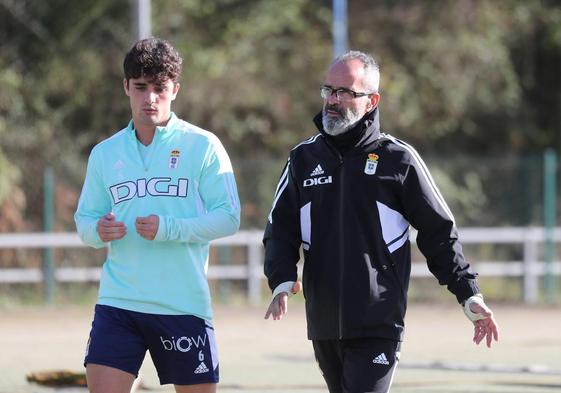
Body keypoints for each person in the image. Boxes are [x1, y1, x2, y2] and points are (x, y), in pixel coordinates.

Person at [263, 50, 499, 393]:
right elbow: (280, 228)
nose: (333, 100)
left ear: (371, 101)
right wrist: (282, 279)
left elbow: (438, 232)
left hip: (379, 322)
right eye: (329, 90)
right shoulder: (302, 158)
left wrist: (468, 293)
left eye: (346, 92)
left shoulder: (398, 159)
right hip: (324, 323)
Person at [74, 37, 240, 393]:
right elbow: (84, 223)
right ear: (126, 88)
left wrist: (168, 228)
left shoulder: (203, 145)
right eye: (140, 87)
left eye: (160, 88)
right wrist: (98, 230)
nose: (150, 98)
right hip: (119, 303)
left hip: (182, 305)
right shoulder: (105, 153)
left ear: (175, 89)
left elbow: (228, 217)